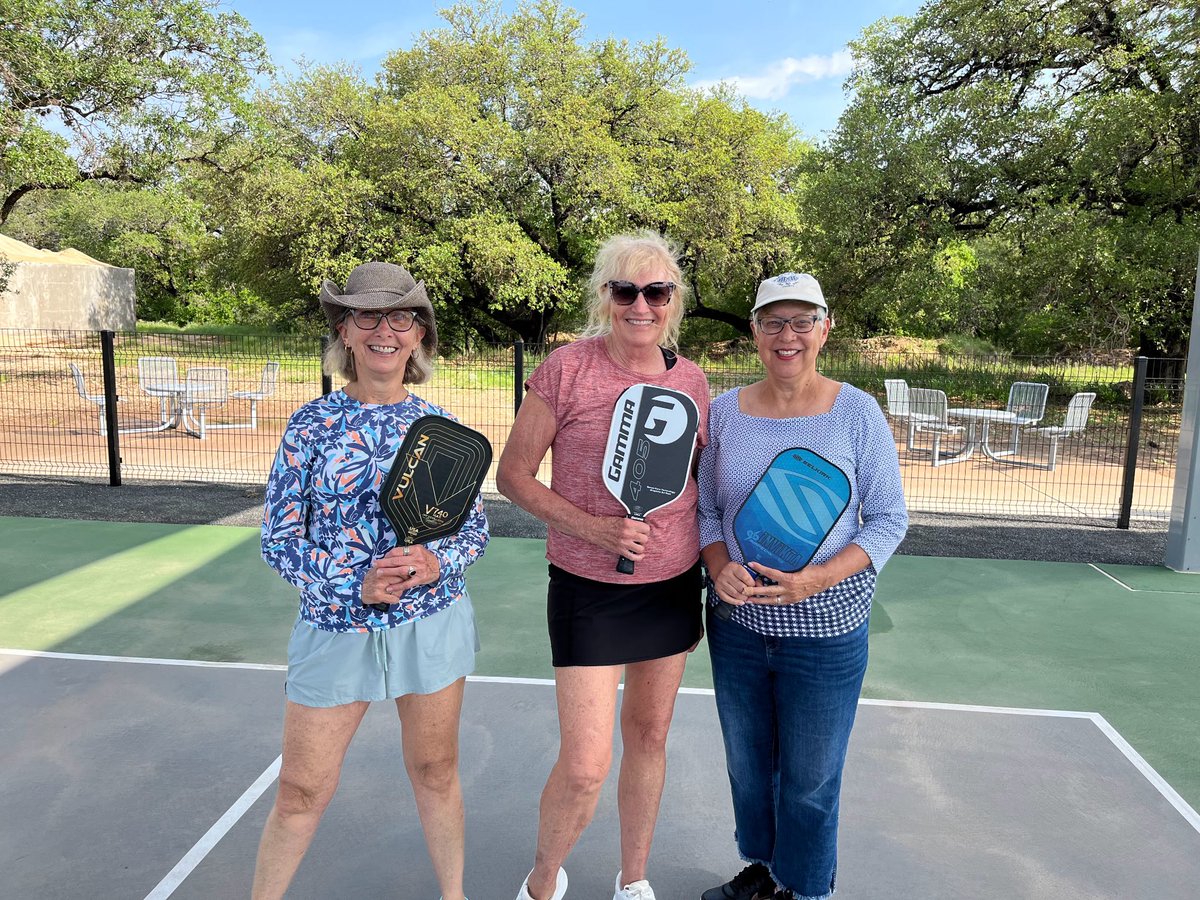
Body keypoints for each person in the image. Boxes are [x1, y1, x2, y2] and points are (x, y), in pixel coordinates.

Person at [252, 262, 489, 900]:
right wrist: (351, 584)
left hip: (429, 623)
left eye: (401, 317)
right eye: (367, 316)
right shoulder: (309, 426)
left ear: (419, 336)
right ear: (345, 331)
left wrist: (441, 561)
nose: (385, 330)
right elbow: (279, 539)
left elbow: (473, 530)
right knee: (300, 790)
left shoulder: (444, 429)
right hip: (336, 627)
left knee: (436, 770)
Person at [496, 232, 711, 900]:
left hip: (671, 587)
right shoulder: (567, 368)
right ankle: (542, 881)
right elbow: (513, 476)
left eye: (656, 292)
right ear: (605, 296)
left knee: (648, 738)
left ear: (672, 302)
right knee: (587, 764)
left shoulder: (691, 381)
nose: (641, 305)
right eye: (626, 291)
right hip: (588, 590)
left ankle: (634, 880)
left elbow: (700, 481)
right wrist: (595, 528)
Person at [697, 273, 907, 900]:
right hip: (737, 629)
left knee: (812, 778)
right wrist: (716, 567)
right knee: (749, 768)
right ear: (755, 333)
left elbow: (890, 517)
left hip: (826, 633)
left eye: (800, 322)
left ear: (824, 328)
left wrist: (818, 577)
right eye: (772, 323)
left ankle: (807, 887)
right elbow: (706, 511)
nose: (786, 336)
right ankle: (763, 871)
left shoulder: (857, 412)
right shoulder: (724, 414)